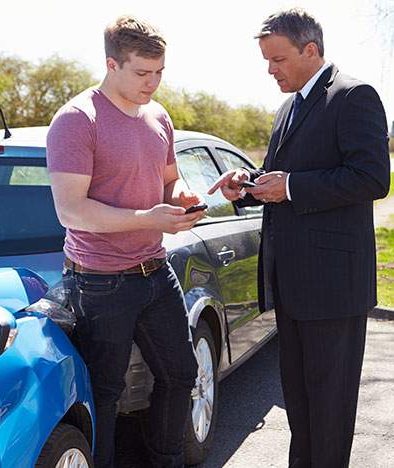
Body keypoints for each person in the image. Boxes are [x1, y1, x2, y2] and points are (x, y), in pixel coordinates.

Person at [208, 8, 390, 468]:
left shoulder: (354, 96)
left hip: (333, 289)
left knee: (329, 413)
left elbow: (372, 178)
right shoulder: (287, 107)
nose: (270, 70)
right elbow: (284, 178)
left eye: (278, 59)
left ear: (311, 50)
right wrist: (247, 183)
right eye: (267, 61)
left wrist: (289, 186)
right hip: (289, 286)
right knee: (302, 410)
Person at [46, 16, 202, 468]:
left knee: (181, 374)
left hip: (156, 271)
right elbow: (71, 211)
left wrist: (180, 200)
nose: (152, 84)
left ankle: (166, 461)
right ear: (111, 63)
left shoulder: (159, 116)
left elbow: (170, 182)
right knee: (105, 395)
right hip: (99, 282)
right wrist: (148, 216)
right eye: (141, 73)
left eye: (159, 73)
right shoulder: (78, 120)